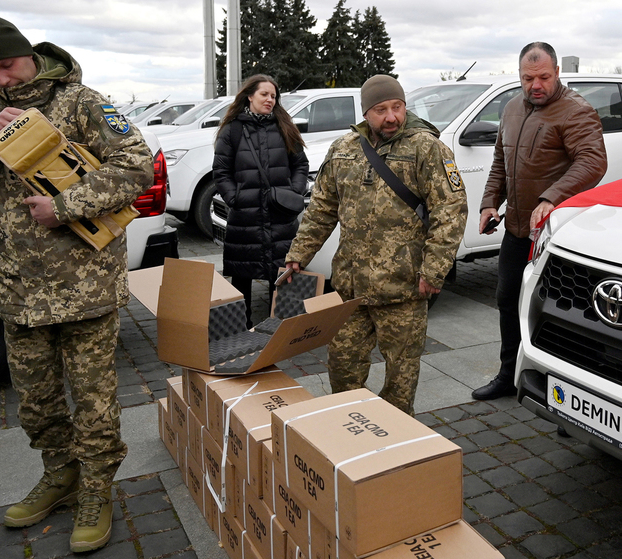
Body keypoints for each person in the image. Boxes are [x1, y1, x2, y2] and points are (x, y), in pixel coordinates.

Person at [0, 15, 154, 553]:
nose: (1, 80)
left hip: (84, 284)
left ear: (27, 53)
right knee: (37, 404)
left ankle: (96, 490)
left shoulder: (82, 102)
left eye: (7, 64)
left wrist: (66, 207)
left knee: (93, 401)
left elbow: (136, 167)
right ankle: (59, 476)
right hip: (19, 289)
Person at [285, 75, 467, 416]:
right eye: (381, 109)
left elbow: (451, 211)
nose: (391, 117)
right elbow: (322, 209)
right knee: (342, 367)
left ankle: (393, 447)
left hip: (403, 289)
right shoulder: (343, 150)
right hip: (351, 289)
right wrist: (298, 255)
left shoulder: (426, 148)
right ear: (366, 112)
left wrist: (434, 270)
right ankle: (356, 430)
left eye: (397, 107)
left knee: (400, 381)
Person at [472, 42, 607, 401]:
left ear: (557, 73)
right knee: (507, 300)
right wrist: (489, 203)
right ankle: (507, 375)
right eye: (527, 78)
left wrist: (551, 197)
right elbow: (501, 161)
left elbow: (593, 162)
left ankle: (575, 392)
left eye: (544, 77)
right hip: (517, 229)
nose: (535, 85)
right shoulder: (513, 107)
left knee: (558, 312)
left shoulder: (576, 111)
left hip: (555, 234)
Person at [212, 74, 309, 328]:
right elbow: (220, 172)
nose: (270, 99)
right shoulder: (232, 130)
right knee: (242, 273)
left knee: (281, 272)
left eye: (274, 96)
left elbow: (301, 164)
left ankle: (277, 327)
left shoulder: (285, 127)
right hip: (246, 215)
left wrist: (294, 191)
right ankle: (240, 328)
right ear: (250, 96)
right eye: (265, 94)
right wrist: (234, 197)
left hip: (280, 214)